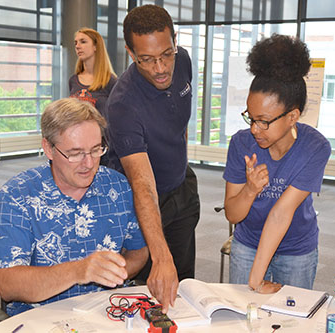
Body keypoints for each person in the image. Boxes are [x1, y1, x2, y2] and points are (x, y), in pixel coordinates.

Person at [0, 98, 148, 316]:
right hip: (41, 317)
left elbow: (139, 251)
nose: (89, 163)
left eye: (95, 150)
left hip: (106, 311)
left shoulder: (117, 187)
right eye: (75, 153)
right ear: (49, 148)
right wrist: (80, 271)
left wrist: (115, 272)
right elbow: (8, 285)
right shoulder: (18, 195)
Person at [105, 4, 200, 312]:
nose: (160, 67)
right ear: (131, 54)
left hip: (180, 187)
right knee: (149, 290)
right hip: (144, 200)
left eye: (165, 54)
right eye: (147, 59)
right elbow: (142, 184)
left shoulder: (182, 60)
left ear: (175, 41)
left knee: (183, 285)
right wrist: (160, 257)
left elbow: (178, 123)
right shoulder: (123, 104)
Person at [223, 34, 331, 293]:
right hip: (247, 245)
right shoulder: (241, 144)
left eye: (264, 121)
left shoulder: (315, 148)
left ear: (292, 116)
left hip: (296, 251)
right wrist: (250, 190)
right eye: (251, 118)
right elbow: (232, 214)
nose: (255, 129)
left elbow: (281, 214)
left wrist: (255, 278)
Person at [69, 28, 117, 166]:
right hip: (77, 147)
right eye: (76, 43)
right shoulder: (73, 80)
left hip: (101, 151)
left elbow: (119, 116)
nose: (77, 46)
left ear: (96, 46)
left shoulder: (110, 81)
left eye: (83, 42)